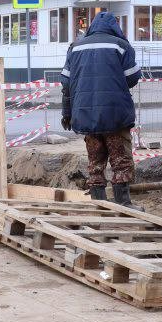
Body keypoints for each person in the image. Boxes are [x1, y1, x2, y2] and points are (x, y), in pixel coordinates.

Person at [59, 12, 141, 205]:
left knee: (95, 164)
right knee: (120, 162)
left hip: (85, 116)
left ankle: (99, 205)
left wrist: (67, 113)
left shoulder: (76, 47)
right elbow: (132, 77)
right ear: (115, 26)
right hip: (116, 116)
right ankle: (124, 204)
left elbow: (66, 83)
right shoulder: (121, 46)